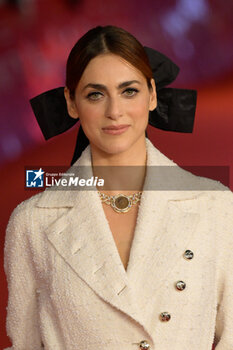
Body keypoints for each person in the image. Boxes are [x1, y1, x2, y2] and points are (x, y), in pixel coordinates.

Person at [4, 25, 233, 350]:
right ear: (71, 103)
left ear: (152, 95)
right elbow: (25, 344)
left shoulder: (216, 206)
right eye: (95, 94)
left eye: (129, 91)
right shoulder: (31, 224)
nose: (114, 112)